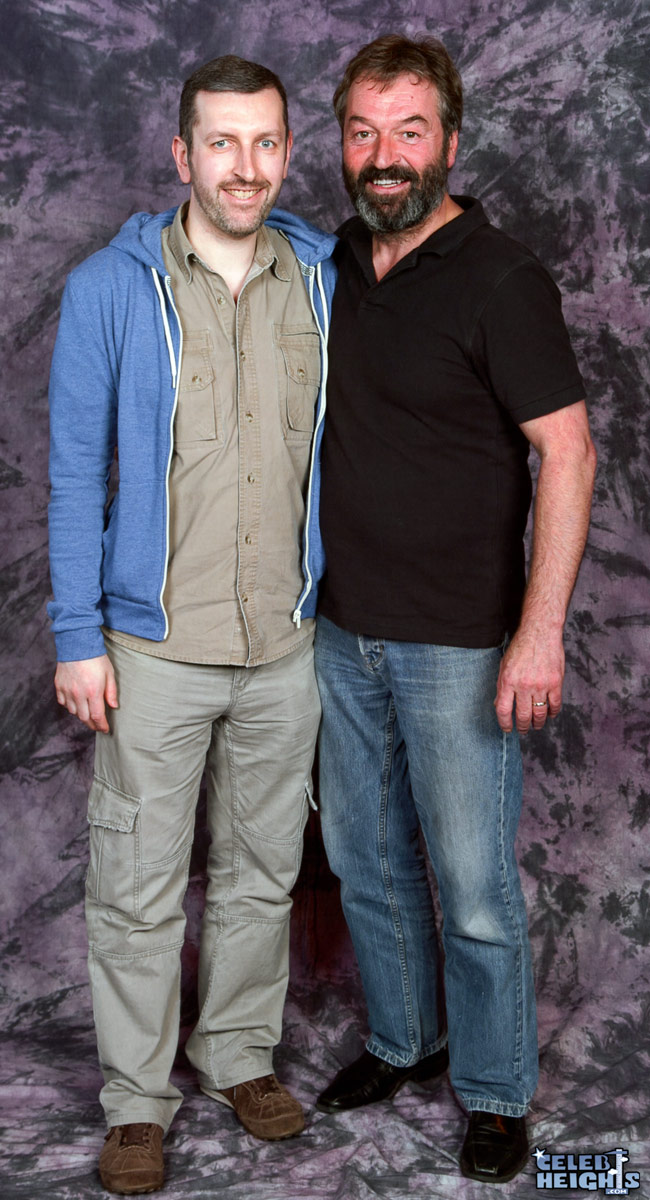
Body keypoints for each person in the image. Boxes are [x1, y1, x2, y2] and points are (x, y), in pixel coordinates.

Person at [48, 54, 336, 1195]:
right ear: (181, 154)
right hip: (150, 649)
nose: (244, 167)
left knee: (263, 872)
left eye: (265, 143)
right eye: (221, 143)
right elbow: (75, 476)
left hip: (286, 646)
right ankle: (135, 1102)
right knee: (137, 882)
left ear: (286, 153)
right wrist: (79, 636)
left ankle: (237, 1054)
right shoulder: (108, 289)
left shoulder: (319, 276)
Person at [313, 34, 596, 1185]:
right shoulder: (333, 257)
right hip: (338, 632)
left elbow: (566, 457)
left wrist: (537, 632)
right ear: (341, 142)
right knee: (366, 861)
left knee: (471, 885)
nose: (384, 157)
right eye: (363, 132)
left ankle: (490, 1089)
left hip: (459, 645)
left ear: (450, 141)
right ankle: (403, 1039)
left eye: (409, 130)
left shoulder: (500, 276)